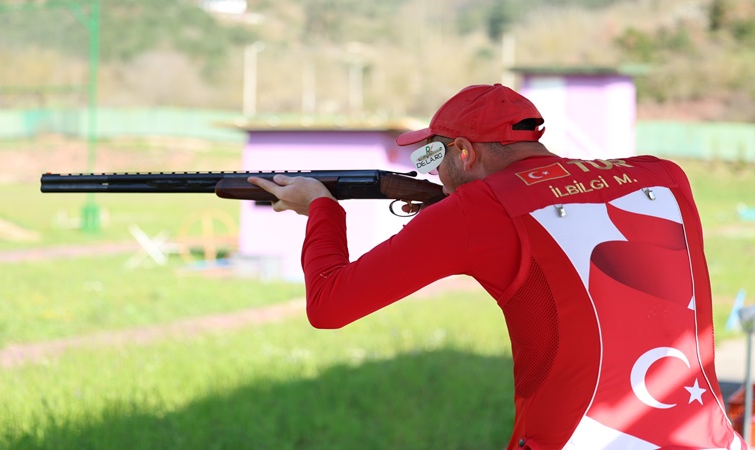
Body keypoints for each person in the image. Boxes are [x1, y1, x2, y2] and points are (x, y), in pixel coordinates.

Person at [248, 84, 745, 449]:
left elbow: (330, 305)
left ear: (464, 152)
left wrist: (321, 207)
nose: (433, 171)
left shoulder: (476, 211)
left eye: (435, 154)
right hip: (705, 437)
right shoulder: (662, 175)